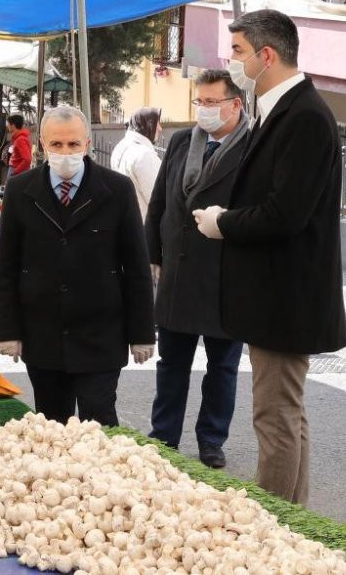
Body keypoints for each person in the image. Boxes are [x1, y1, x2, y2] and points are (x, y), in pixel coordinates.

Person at [192, 9, 346, 505]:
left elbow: (286, 214)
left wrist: (223, 222)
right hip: (276, 293)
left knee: (275, 417)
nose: (231, 61)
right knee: (286, 415)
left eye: (237, 51)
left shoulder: (304, 116)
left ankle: (273, 523)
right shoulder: (279, 109)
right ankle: (293, 519)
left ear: (267, 54)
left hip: (286, 297)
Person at [0, 105, 155, 426]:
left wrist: (142, 334)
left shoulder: (117, 189)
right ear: (42, 144)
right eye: (56, 144)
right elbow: (7, 267)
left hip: (101, 334)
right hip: (42, 334)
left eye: (73, 144)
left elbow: (137, 267)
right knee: (51, 426)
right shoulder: (20, 190)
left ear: (87, 144)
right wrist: (8, 331)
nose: (65, 152)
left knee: (100, 421)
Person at [144, 70, 250, 468]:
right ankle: (164, 435)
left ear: (235, 104)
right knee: (171, 363)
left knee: (222, 366)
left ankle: (211, 440)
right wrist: (153, 253)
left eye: (211, 102)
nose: (203, 109)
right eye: (199, 101)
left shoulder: (253, 148)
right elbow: (160, 202)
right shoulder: (181, 141)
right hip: (179, 270)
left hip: (225, 274)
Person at [110, 106, 162, 220]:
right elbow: (158, 200)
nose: (160, 128)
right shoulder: (145, 155)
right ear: (148, 124)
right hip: (144, 224)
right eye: (157, 123)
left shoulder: (120, 147)